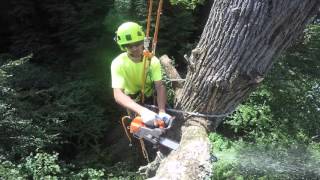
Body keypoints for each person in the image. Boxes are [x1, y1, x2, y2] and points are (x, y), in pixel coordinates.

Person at [111, 22, 171, 127]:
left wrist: (162, 111)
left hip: (149, 95)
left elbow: (160, 86)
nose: (134, 48)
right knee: (139, 127)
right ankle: (140, 141)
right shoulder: (118, 63)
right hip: (131, 101)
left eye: (137, 43)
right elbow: (118, 94)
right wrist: (142, 111)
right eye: (128, 46)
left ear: (143, 41)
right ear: (123, 46)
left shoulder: (152, 60)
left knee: (159, 123)